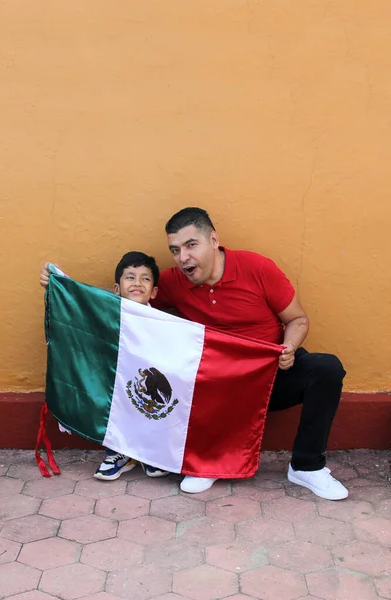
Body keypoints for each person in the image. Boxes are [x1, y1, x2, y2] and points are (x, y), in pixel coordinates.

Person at [149, 207, 348, 500]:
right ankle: (210, 462)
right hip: (220, 385)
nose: (183, 258)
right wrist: (65, 287)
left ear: (213, 240)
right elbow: (131, 301)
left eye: (191, 245)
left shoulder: (257, 268)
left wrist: (289, 348)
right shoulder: (174, 281)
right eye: (175, 250)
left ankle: (307, 466)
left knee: (327, 368)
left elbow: (298, 319)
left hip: (270, 377)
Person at [40, 251, 170, 481]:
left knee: (152, 405)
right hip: (114, 387)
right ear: (117, 288)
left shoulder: (162, 323)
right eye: (130, 277)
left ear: (155, 291)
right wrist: (58, 286)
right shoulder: (106, 314)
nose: (137, 283)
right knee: (111, 397)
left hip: (144, 391)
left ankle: (148, 452)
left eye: (145, 278)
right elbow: (81, 306)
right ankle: (118, 453)